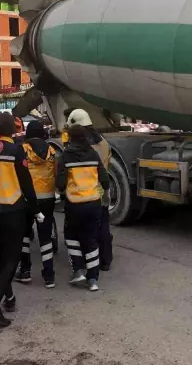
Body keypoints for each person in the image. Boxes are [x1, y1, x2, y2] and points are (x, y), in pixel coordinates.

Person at [0, 113, 41, 327]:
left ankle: (9, 297)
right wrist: (35, 209)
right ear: (11, 130)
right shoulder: (16, 150)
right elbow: (26, 183)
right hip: (11, 209)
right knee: (12, 257)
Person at [57, 124, 109, 292]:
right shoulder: (93, 154)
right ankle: (93, 279)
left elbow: (59, 182)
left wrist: (62, 190)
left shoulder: (66, 156)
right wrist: (106, 195)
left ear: (70, 138)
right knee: (91, 239)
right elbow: (104, 178)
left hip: (74, 204)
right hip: (93, 203)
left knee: (71, 235)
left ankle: (78, 270)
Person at [67, 109, 114, 271]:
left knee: (84, 229)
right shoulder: (103, 142)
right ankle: (106, 260)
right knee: (103, 226)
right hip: (101, 189)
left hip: (83, 193)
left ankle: (87, 262)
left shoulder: (82, 147)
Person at [14, 120, 57, 289]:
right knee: (45, 237)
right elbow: (54, 173)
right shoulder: (52, 151)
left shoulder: (22, 150)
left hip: (27, 199)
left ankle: (25, 271)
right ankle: (49, 276)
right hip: (47, 199)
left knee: (24, 235)